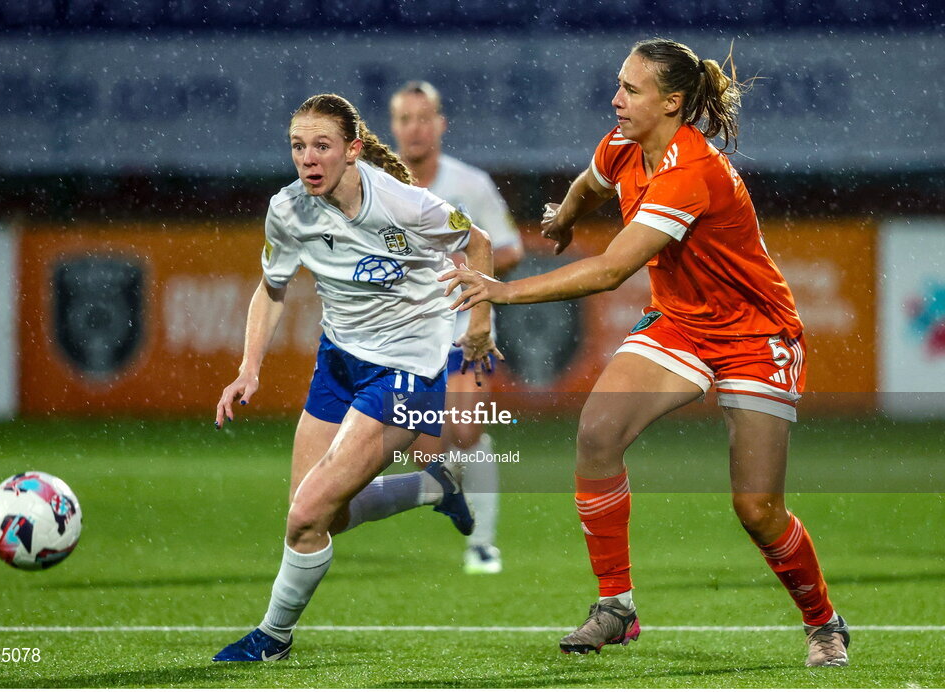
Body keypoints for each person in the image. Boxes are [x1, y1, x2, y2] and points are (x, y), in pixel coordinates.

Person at [441, 39, 850, 668]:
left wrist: (500, 292)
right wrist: (566, 218)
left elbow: (610, 272)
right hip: (682, 324)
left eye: (631, 89)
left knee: (757, 509)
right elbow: (589, 183)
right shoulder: (623, 145)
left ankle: (824, 623)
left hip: (755, 336)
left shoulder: (693, 171)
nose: (616, 98)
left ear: (672, 103)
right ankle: (616, 606)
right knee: (598, 433)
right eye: (619, 84)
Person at [212, 93, 499, 662]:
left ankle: (272, 638)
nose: (308, 159)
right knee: (319, 518)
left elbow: (479, 242)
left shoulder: (405, 203)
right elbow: (271, 288)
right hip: (339, 362)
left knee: (304, 515)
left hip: (407, 370)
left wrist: (480, 321)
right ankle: (434, 485)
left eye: (322, 146)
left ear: (352, 150)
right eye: (298, 147)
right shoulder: (289, 208)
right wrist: (248, 368)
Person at [389, 80, 524, 575]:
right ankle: (451, 494)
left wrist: (468, 271)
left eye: (425, 118)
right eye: (406, 119)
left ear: (441, 124)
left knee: (466, 432)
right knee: (425, 448)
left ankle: (483, 545)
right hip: (407, 336)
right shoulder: (377, 187)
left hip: (467, 326)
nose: (416, 128)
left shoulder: (470, 184)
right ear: (393, 127)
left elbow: (508, 249)